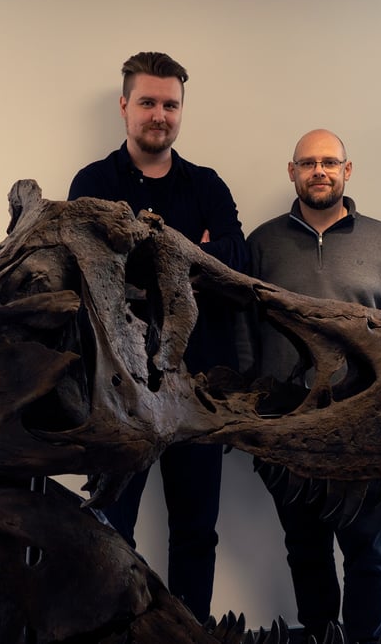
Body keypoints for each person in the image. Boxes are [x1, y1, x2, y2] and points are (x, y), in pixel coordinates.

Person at [68, 51, 247, 623]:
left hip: (196, 392)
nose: (159, 115)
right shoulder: (93, 183)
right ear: (125, 107)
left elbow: (236, 267)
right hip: (118, 393)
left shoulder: (208, 186)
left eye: (170, 104)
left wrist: (144, 257)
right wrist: (187, 252)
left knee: (196, 532)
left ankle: (189, 633)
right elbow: (89, 277)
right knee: (111, 532)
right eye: (147, 102)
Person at [245, 128, 381, 644]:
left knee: (369, 550)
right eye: (307, 163)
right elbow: (243, 334)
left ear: (347, 170)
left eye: (329, 162)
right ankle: (323, 635)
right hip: (288, 428)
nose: (318, 171)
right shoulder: (262, 243)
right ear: (292, 171)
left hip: (367, 427)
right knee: (305, 548)